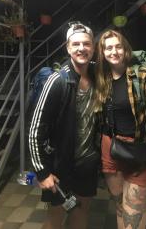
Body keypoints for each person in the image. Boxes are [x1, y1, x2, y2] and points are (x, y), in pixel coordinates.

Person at [94, 29, 146, 229]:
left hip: (140, 151)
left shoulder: (144, 75)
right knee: (120, 207)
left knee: (133, 221)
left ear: (126, 49)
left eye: (118, 46)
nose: (114, 51)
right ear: (102, 53)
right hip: (110, 148)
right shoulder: (101, 76)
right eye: (109, 47)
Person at [29, 22, 99, 229]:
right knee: (55, 217)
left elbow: (122, 58)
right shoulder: (57, 81)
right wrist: (42, 172)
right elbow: (35, 131)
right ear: (67, 48)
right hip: (61, 164)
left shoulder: (98, 74)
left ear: (93, 48)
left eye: (86, 44)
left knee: (81, 210)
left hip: (87, 162)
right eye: (75, 44)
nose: (81, 48)